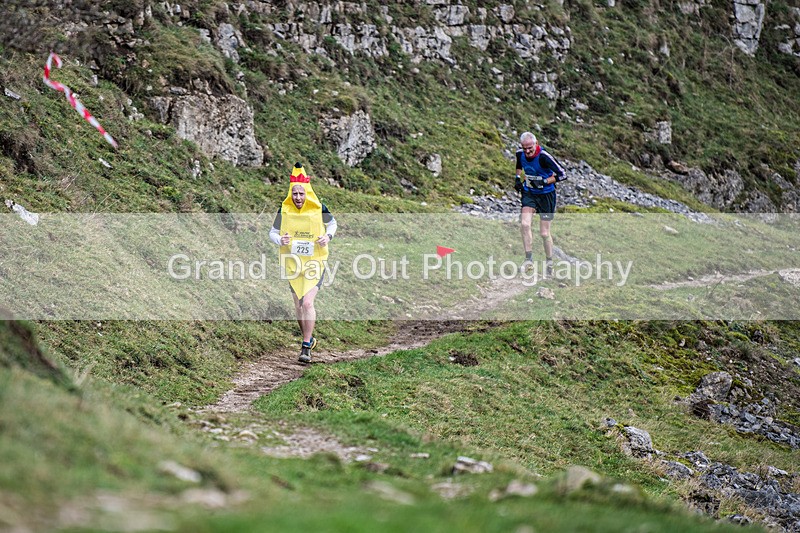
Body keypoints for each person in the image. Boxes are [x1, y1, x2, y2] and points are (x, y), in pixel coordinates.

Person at [270, 162, 337, 364]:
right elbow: (272, 232)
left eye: (301, 193)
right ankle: (309, 337)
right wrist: (279, 240)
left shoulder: (318, 208)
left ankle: (306, 346)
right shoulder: (284, 210)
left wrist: (328, 236)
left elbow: (333, 223)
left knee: (307, 303)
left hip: (315, 262)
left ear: (307, 192)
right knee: (298, 306)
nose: (298, 198)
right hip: (293, 264)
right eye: (295, 194)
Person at [515, 132, 567, 277]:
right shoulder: (520, 154)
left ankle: (549, 262)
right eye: (524, 148)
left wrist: (544, 182)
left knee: (544, 233)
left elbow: (562, 174)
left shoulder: (544, 157)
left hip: (546, 196)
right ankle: (528, 260)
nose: (527, 151)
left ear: (536, 143)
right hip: (529, 193)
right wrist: (517, 178)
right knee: (525, 225)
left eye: (530, 148)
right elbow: (519, 164)